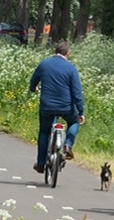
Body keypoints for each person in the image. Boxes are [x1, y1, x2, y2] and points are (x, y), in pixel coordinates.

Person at [28, 40, 84, 174]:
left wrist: (33, 89)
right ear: (67, 53)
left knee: (44, 131)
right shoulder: (71, 68)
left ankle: (41, 163)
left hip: (47, 106)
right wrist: (81, 111)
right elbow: (76, 92)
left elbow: (33, 81)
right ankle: (68, 145)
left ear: (55, 51)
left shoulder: (44, 64)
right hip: (66, 107)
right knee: (74, 121)